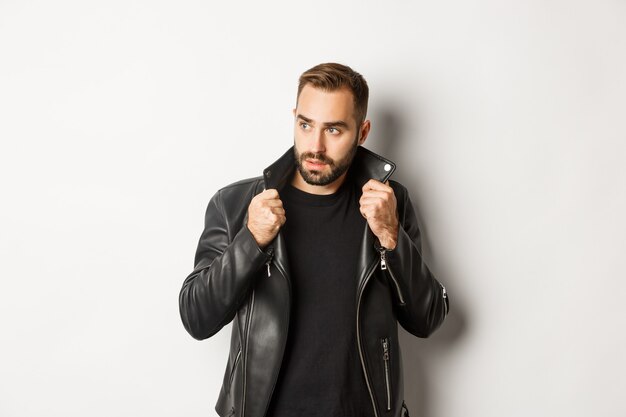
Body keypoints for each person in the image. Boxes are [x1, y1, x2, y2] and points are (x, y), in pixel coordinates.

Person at [179, 63, 449, 417]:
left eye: (334, 130)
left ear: (362, 131)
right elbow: (197, 317)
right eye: (306, 125)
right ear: (294, 118)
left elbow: (427, 319)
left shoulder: (386, 204)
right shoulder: (236, 205)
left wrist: (390, 236)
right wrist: (251, 241)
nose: (315, 146)